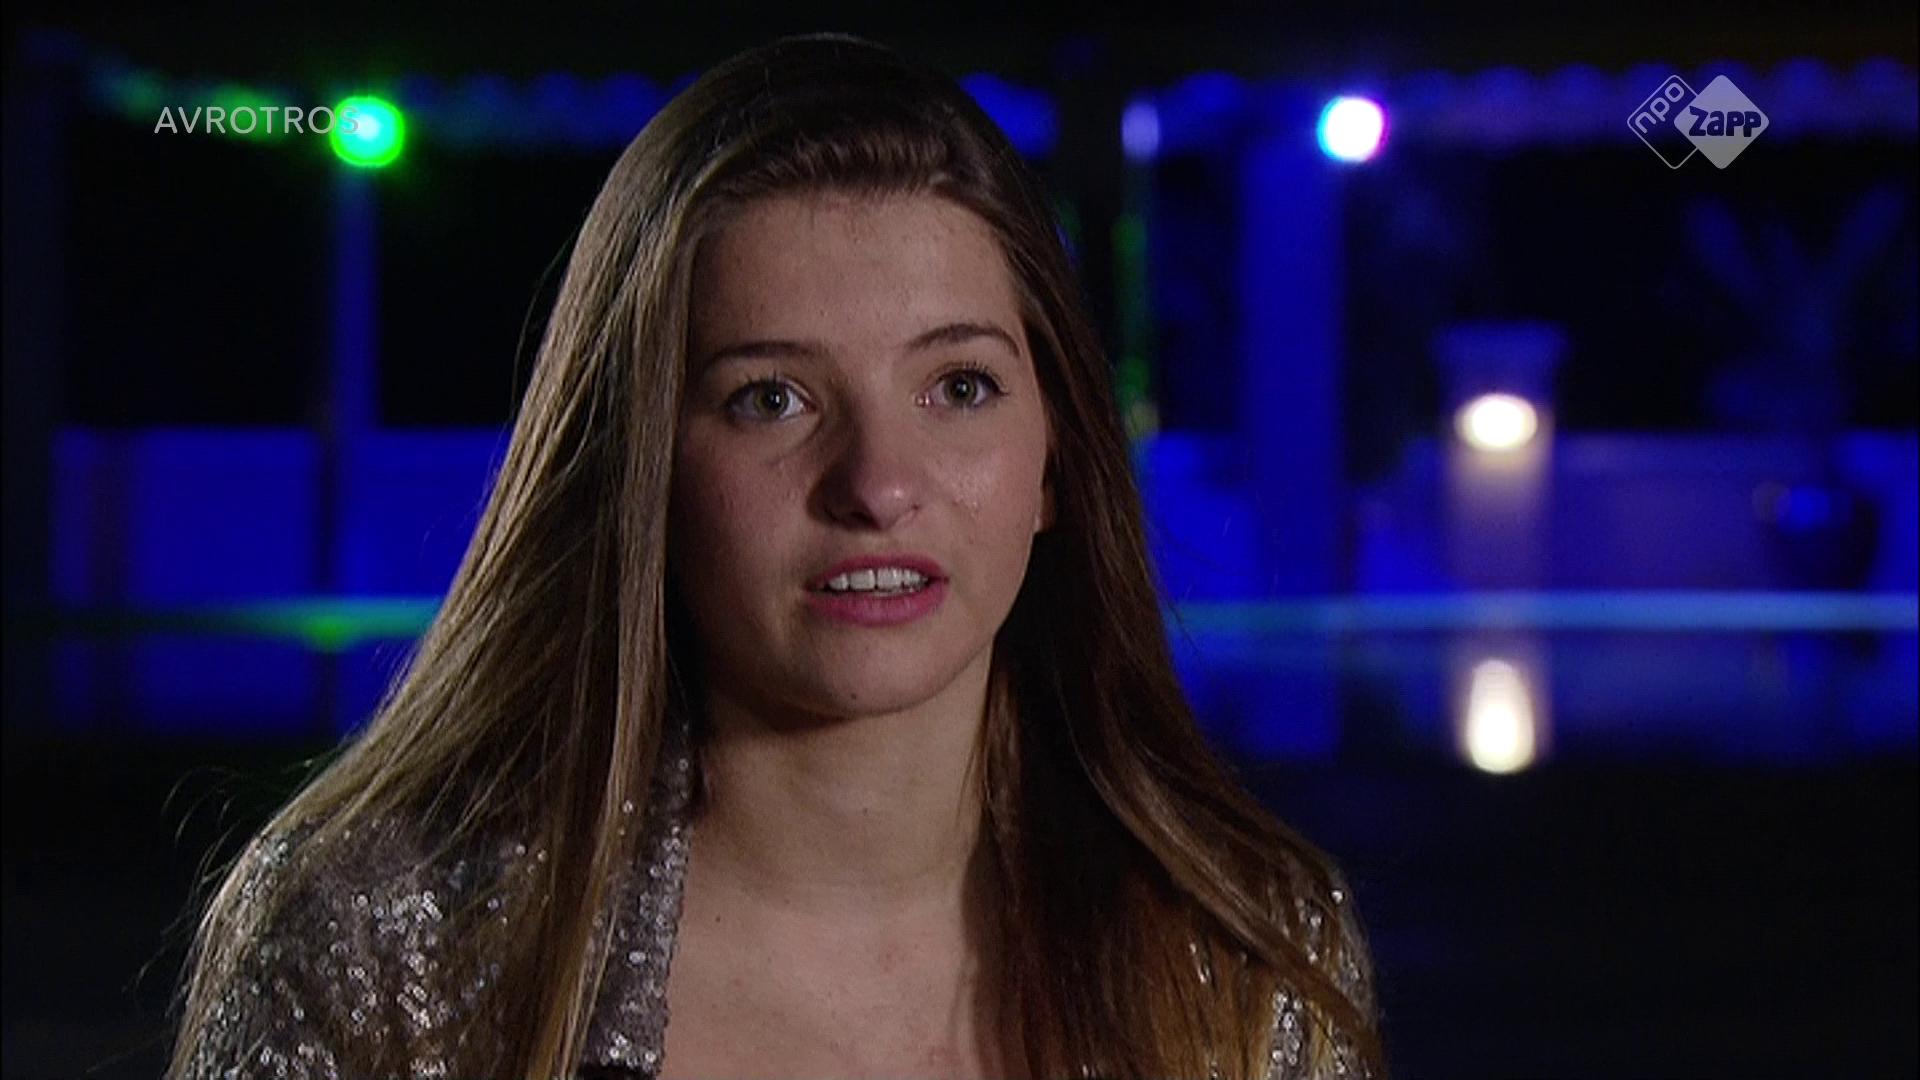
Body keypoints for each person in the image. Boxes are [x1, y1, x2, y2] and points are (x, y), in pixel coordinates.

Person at [168, 32, 1385, 1080]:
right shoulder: (391, 950)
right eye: (771, 399)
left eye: (959, 386)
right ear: (642, 462)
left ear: (1056, 461)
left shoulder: (1244, 959)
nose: (878, 486)